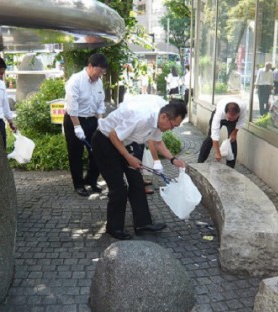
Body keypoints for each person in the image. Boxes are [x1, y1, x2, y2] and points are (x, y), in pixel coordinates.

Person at [91, 97, 187, 240]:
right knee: (119, 187)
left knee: (136, 181)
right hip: (104, 141)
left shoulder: (158, 122)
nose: (172, 129)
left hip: (123, 141)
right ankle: (114, 227)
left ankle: (142, 224)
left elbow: (158, 142)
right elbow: (113, 135)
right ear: (164, 117)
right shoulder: (142, 117)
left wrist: (173, 159)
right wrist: (129, 157)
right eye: (173, 126)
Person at [64, 53, 107, 197]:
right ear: (90, 66)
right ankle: (79, 184)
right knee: (76, 154)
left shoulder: (99, 82)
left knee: (97, 152)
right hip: (74, 119)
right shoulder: (75, 81)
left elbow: (100, 103)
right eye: (99, 71)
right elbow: (72, 107)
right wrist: (77, 127)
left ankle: (91, 180)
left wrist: (100, 120)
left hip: (91, 120)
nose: (100, 75)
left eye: (103, 72)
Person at [197, 97, 247, 168]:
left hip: (233, 116)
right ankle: (200, 162)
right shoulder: (219, 113)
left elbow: (241, 121)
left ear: (238, 114)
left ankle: (230, 167)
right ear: (225, 113)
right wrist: (217, 152)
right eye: (229, 118)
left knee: (232, 140)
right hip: (219, 116)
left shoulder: (243, 107)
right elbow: (215, 134)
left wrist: (235, 132)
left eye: (234, 118)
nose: (231, 120)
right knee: (210, 138)